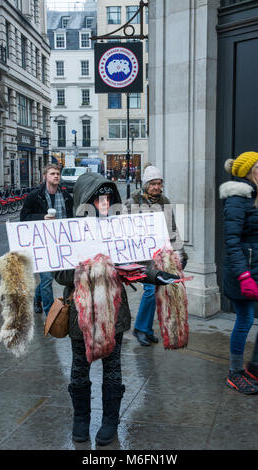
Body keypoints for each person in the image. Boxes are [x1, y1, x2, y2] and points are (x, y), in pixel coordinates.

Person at [54, 172, 181, 446]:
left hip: (114, 311)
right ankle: (81, 419)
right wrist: (89, 266)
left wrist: (156, 274)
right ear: (84, 200)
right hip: (80, 313)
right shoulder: (70, 231)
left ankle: (110, 420)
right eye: (97, 197)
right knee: (79, 369)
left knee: (112, 367)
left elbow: (134, 264)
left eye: (107, 196)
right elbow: (61, 277)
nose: (103, 202)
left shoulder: (119, 228)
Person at [220, 151, 258, 394]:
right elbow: (232, 242)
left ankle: (256, 366)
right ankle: (235, 372)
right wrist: (244, 276)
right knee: (244, 321)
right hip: (242, 273)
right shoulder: (236, 199)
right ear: (248, 171)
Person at [124, 165, 188, 347]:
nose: (156, 187)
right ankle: (140, 328)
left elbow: (172, 228)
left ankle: (147, 329)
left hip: (159, 255)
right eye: (153, 183)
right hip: (140, 256)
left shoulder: (164, 201)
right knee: (150, 291)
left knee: (157, 290)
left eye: (159, 183)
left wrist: (180, 252)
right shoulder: (132, 202)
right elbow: (122, 228)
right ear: (145, 184)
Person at [20, 163, 73, 316]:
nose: (56, 176)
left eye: (57, 173)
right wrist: (41, 217)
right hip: (42, 243)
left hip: (61, 241)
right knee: (47, 278)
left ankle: (37, 298)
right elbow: (24, 217)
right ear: (45, 176)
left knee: (53, 277)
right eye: (52, 173)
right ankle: (51, 314)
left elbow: (71, 218)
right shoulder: (35, 197)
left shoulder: (66, 196)